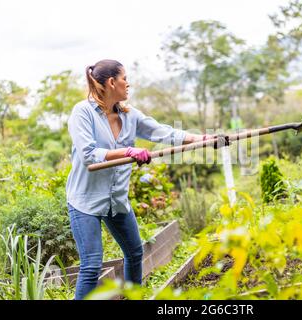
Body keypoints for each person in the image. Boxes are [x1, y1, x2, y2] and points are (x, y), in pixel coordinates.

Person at [66, 59, 224, 300]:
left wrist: (203, 138)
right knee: (91, 265)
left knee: (134, 252)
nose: (128, 84)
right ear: (111, 82)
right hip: (84, 201)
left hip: (115, 200)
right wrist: (128, 152)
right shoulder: (83, 112)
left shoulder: (130, 115)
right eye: (124, 78)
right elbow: (89, 155)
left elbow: (166, 133)